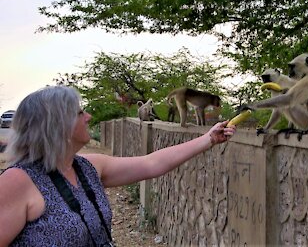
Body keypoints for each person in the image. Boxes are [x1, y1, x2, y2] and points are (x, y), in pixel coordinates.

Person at [0, 86, 236, 246]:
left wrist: (209, 139)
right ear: (57, 125)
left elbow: (151, 163)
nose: (89, 117)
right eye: (80, 112)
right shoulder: (18, 182)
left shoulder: (86, 168)